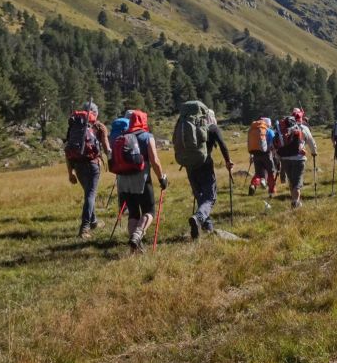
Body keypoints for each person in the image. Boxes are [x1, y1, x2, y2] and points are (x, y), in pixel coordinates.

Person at [174, 100, 233, 240]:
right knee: (210, 196)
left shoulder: (184, 125)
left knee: (199, 194)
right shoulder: (212, 128)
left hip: (189, 165)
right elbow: (223, 146)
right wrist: (228, 161)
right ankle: (199, 217)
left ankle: (207, 225)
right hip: (205, 164)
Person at [111, 109, 167, 252]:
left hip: (124, 180)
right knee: (149, 211)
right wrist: (162, 178)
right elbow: (154, 160)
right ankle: (137, 235)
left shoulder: (123, 136)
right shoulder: (147, 136)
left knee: (133, 213)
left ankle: (135, 247)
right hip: (141, 180)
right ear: (143, 121)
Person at [65, 101, 111, 239]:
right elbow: (107, 148)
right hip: (92, 165)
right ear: (95, 113)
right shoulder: (98, 126)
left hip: (77, 165)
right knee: (90, 195)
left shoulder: (74, 125)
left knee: (88, 194)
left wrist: (70, 172)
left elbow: (68, 149)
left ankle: (94, 222)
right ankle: (84, 228)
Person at [276, 112, 317, 208]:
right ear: (301, 118)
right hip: (298, 158)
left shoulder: (283, 130)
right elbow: (311, 141)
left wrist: (279, 157)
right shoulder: (303, 128)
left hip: (285, 158)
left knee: (291, 181)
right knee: (297, 182)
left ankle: (294, 200)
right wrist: (314, 152)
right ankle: (295, 202)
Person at [246, 116, 277, 197]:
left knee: (258, 174)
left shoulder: (254, 130)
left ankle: (253, 185)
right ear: (269, 124)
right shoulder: (269, 131)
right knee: (271, 173)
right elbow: (273, 144)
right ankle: (271, 191)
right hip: (267, 154)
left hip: (256, 154)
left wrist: (251, 156)